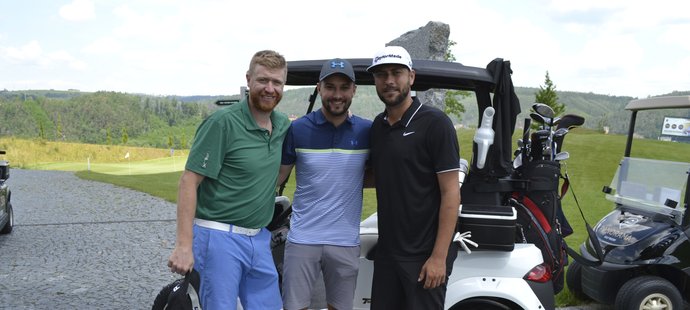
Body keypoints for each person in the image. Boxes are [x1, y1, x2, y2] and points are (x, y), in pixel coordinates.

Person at [167, 49, 290, 310]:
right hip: (219, 237)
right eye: (263, 80)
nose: (270, 88)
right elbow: (189, 181)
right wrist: (183, 245)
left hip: (258, 238)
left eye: (276, 82)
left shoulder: (281, 125)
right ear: (248, 80)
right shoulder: (222, 123)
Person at [367, 46, 460, 310]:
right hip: (387, 254)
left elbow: (451, 193)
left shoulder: (435, 124)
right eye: (381, 75)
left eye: (397, 73)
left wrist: (439, 258)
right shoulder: (378, 126)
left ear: (411, 77)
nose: (389, 81)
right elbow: (382, 175)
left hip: (424, 257)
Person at [277, 58, 372, 310]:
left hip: (345, 241)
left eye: (344, 87)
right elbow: (277, 177)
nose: (337, 94)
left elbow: (381, 175)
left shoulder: (367, 131)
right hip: (302, 239)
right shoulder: (297, 129)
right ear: (319, 88)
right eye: (330, 87)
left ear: (354, 90)